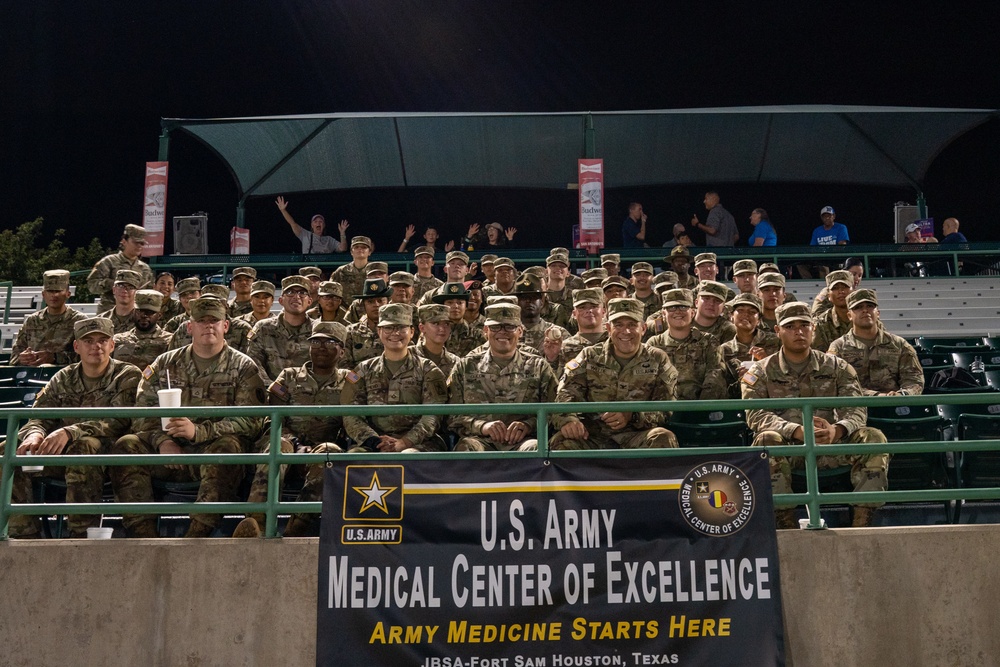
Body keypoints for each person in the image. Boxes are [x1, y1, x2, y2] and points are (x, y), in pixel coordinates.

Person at [111, 298, 269, 538]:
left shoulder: (244, 367)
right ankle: (143, 536)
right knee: (126, 445)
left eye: (214, 321)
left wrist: (199, 432)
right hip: (167, 453)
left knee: (229, 448)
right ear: (189, 327)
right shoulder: (164, 364)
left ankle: (197, 535)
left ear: (225, 326)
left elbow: (251, 421)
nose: (208, 326)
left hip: (211, 451)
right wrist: (162, 441)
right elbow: (142, 413)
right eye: (201, 321)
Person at [742, 301, 889, 528]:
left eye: (805, 325)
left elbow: (856, 408)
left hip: (831, 445)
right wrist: (796, 431)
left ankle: (863, 523)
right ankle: (784, 524)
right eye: (790, 326)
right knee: (765, 441)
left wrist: (838, 429)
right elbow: (756, 414)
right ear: (777, 331)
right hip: (790, 450)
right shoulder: (759, 371)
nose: (799, 331)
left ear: (814, 329)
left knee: (873, 437)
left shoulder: (838, 366)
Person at [6, 318, 141, 538]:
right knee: (8, 450)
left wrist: (71, 431)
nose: (96, 346)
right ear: (76, 347)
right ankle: (22, 535)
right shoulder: (63, 377)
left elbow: (120, 419)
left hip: (109, 455)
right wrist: (34, 434)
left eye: (102, 340)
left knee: (84, 447)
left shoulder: (126, 375)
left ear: (112, 345)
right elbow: (39, 416)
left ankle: (80, 536)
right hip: (62, 454)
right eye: (88, 341)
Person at [233, 320, 351, 539]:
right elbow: (271, 419)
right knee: (278, 447)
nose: (321, 347)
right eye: (315, 342)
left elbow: (353, 423)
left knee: (330, 452)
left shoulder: (350, 381)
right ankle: (256, 524)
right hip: (289, 445)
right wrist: (295, 442)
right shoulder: (288, 376)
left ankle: (296, 528)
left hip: (321, 451)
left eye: (329, 342)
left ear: (342, 351)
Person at [548, 298, 678, 450]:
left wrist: (633, 415)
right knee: (561, 441)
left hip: (637, 436)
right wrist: (568, 420)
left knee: (663, 437)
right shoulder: (589, 356)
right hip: (592, 436)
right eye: (618, 325)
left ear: (643, 328)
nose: (626, 331)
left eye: (632, 325)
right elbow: (565, 394)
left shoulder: (657, 358)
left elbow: (667, 408)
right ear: (608, 328)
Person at [448, 303, 558, 451]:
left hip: (523, 441)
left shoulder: (538, 366)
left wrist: (528, 425)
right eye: (495, 327)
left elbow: (555, 411)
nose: (502, 332)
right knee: (467, 449)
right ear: (485, 331)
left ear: (520, 331)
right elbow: (451, 415)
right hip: (480, 440)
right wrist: (482, 427)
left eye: (509, 327)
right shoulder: (465, 366)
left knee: (536, 449)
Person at [342, 303, 448, 452]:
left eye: (401, 328)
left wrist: (404, 442)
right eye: (388, 328)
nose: (395, 333)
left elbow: (433, 416)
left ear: (412, 332)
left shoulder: (428, 370)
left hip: (420, 444)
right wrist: (373, 441)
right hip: (373, 442)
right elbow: (350, 413)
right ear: (379, 331)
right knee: (355, 456)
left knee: (409, 455)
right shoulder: (361, 370)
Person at [827, 289, 924, 396]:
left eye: (869, 306)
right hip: (856, 407)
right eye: (858, 307)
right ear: (849, 315)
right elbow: (837, 383)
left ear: (878, 313)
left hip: (895, 406)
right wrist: (876, 396)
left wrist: (903, 394)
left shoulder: (900, 344)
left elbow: (914, 379)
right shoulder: (838, 347)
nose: (865, 310)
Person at [646, 289, 728, 401]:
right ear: (664, 314)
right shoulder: (654, 344)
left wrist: (701, 408)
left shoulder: (708, 342)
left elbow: (715, 376)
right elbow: (648, 381)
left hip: (700, 408)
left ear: (693, 313)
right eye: (672, 308)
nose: (678, 312)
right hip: (663, 409)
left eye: (684, 307)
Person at [9, 269, 88, 366]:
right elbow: (15, 356)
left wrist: (55, 357)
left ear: (68, 294)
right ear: (43, 294)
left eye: (58, 291)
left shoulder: (79, 321)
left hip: (66, 376)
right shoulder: (32, 321)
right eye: (50, 291)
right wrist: (23, 358)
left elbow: (88, 355)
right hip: (33, 374)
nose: (54, 295)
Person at [247, 276, 315, 381]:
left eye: (302, 293)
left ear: (310, 301)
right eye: (290, 292)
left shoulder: (318, 330)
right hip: (270, 393)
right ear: (281, 300)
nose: (296, 297)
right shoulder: (263, 328)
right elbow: (255, 363)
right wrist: (274, 390)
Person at [720, 293, 780, 398]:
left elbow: (787, 378)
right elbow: (722, 390)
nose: (746, 315)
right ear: (731, 316)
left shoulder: (776, 341)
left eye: (752, 312)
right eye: (740, 310)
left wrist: (766, 364)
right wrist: (745, 379)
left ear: (759, 320)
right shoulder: (725, 350)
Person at [87, 223, 154, 310]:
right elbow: (92, 286)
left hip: (133, 315)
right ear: (124, 241)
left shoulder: (145, 269)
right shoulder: (109, 262)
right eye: (136, 242)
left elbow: (149, 293)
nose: (139, 246)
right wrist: (117, 285)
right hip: (109, 313)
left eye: (142, 243)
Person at [112, 289, 173, 368]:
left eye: (150, 312)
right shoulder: (118, 340)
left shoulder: (170, 341)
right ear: (133, 312)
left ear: (159, 315)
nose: (144, 315)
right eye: (140, 311)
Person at [340, 278, 391, 369]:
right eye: (370, 301)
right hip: (359, 380)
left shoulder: (397, 331)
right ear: (364, 305)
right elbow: (344, 366)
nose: (376, 305)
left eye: (380, 300)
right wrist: (358, 381)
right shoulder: (350, 332)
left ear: (387, 302)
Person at [275, 196, 347, 254]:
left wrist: (342, 233)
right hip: (309, 269)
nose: (318, 223)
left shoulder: (329, 239)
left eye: (321, 221)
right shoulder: (305, 235)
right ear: (312, 225)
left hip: (324, 270)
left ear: (324, 225)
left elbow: (343, 248)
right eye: (315, 221)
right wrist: (283, 210)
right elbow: (292, 223)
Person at [432, 282, 486, 357]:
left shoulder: (477, 336)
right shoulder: (432, 332)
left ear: (466, 306)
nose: (455, 306)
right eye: (450, 302)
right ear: (443, 306)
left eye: (460, 303)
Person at [410, 304, 461, 378]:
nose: (442, 329)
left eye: (446, 324)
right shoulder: (408, 356)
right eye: (435, 323)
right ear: (422, 328)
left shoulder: (455, 362)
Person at [812, 270, 854, 352]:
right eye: (835, 288)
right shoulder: (820, 325)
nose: (841, 292)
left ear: (853, 291)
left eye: (845, 287)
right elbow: (818, 357)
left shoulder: (864, 319)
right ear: (828, 296)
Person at [329, 235, 374, 302]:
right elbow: (330, 291)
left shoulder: (375, 270)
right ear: (351, 252)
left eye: (364, 247)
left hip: (370, 309)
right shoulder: (341, 271)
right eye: (356, 247)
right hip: (345, 310)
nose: (360, 249)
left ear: (369, 252)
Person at [97, 269, 142, 334]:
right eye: (121, 286)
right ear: (114, 290)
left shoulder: (143, 321)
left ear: (137, 292)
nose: (124, 291)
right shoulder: (101, 320)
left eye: (130, 287)